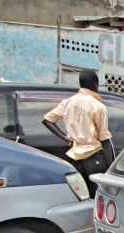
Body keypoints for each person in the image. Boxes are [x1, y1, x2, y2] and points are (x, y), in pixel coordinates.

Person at [42, 69, 114, 197]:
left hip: (74, 159)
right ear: (95, 85)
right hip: (94, 158)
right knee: (97, 197)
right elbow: (104, 139)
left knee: (80, 197)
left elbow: (47, 120)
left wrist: (65, 137)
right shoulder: (98, 106)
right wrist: (110, 168)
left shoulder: (67, 102)